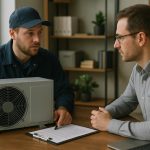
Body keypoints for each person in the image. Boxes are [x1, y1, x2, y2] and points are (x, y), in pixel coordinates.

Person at [0, 6, 74, 127]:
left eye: (40, 32)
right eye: (30, 33)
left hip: (42, 129)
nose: (37, 39)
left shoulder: (50, 59)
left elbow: (64, 91)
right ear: (12, 33)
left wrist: (63, 108)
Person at [90, 4, 150, 141]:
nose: (115, 45)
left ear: (140, 38)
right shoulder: (138, 70)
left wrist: (110, 124)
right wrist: (104, 114)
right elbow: (127, 101)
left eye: (120, 38)